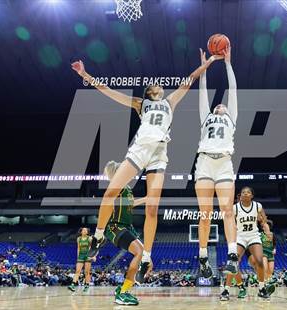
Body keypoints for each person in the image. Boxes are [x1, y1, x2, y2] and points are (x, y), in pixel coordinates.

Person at [71, 53, 223, 283]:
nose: (159, 85)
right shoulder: (141, 104)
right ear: (149, 92)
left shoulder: (169, 102)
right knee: (110, 193)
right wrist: (85, 75)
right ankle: (99, 237)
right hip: (139, 150)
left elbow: (190, 79)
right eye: (155, 85)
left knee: (152, 208)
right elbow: (109, 91)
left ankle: (146, 258)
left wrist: (207, 64)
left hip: (159, 154)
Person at [195, 46, 239, 279]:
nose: (220, 105)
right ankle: (203, 257)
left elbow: (232, 89)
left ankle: (232, 256)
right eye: (217, 105)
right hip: (204, 164)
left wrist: (228, 63)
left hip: (223, 164)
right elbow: (202, 92)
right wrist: (205, 67)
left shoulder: (231, 118)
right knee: (205, 214)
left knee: (227, 211)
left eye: (222, 105)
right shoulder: (206, 119)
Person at [104, 160, 146, 306]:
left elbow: (130, 204)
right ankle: (122, 293)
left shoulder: (126, 188)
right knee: (139, 252)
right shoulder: (116, 186)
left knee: (144, 255)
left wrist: (147, 199)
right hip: (115, 227)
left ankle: (123, 290)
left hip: (126, 226)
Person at [220, 187, 274, 301]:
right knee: (232, 262)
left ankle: (261, 288)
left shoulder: (257, 206)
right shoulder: (235, 208)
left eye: (248, 192)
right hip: (240, 237)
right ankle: (226, 290)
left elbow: (263, 220)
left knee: (259, 261)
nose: (245, 193)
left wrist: (267, 230)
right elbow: (229, 222)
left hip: (254, 236)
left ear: (252, 195)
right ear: (240, 195)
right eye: (243, 192)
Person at [68, 227, 94, 293]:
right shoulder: (78, 239)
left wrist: (92, 256)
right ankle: (72, 284)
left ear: (87, 232)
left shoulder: (90, 238)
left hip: (88, 255)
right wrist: (78, 257)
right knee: (77, 271)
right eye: (83, 230)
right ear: (81, 231)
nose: (85, 231)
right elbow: (78, 248)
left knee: (87, 272)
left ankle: (87, 285)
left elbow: (93, 248)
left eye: (86, 230)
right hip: (81, 256)